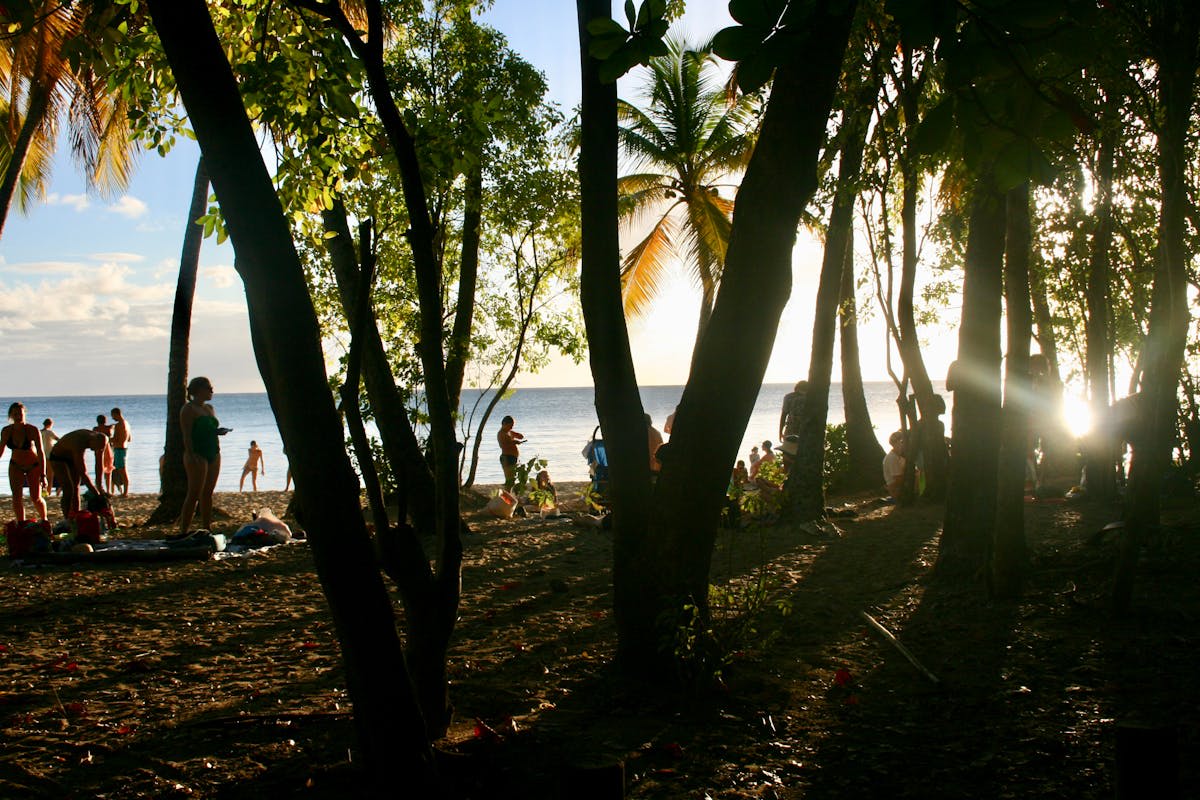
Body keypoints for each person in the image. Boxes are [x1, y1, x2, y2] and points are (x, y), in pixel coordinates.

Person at [180, 376, 223, 535]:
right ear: (199, 390)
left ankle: (207, 527)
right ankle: (184, 530)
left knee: (207, 493)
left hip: (214, 451)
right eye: (209, 389)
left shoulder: (209, 408)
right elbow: (186, 435)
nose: (212, 391)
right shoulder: (188, 409)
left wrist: (218, 431)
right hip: (197, 453)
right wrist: (192, 454)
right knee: (194, 493)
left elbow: (210, 429)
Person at [1, 402, 48, 522]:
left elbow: (41, 452)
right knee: (16, 498)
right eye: (15, 414)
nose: (18, 416)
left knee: (36, 497)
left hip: (33, 466)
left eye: (20, 414)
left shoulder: (32, 430)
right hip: (15, 465)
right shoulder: (6, 431)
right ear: (10, 416)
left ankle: (44, 520)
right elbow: (0, 451)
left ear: (24, 414)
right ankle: (21, 523)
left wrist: (43, 475)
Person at [48, 428, 108, 518]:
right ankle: (67, 518)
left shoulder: (101, 442)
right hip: (58, 457)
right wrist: (95, 493)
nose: (98, 450)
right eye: (96, 448)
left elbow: (99, 465)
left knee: (76, 486)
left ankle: (77, 514)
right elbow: (82, 472)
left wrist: (99, 486)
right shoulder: (79, 442)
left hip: (72, 457)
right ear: (91, 441)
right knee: (68, 489)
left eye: (100, 449)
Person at [497, 415, 525, 492]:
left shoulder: (509, 432)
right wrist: (514, 442)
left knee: (512, 480)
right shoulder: (501, 433)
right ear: (504, 424)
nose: (511, 428)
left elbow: (520, 436)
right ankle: (506, 495)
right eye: (510, 426)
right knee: (509, 480)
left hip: (513, 457)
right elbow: (503, 446)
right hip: (507, 458)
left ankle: (508, 494)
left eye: (512, 426)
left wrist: (516, 435)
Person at [110, 407, 132, 497]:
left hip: (119, 449)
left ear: (116, 414)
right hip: (124, 448)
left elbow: (116, 439)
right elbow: (129, 439)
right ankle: (123, 491)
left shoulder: (118, 425)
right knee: (121, 470)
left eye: (112, 416)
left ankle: (125, 492)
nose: (112, 418)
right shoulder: (127, 424)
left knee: (122, 471)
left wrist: (106, 438)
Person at [93, 414, 115, 494]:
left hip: (98, 450)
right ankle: (108, 490)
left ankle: (98, 488)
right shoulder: (109, 428)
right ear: (105, 421)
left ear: (97, 421)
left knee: (98, 470)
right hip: (108, 450)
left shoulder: (95, 429)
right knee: (108, 471)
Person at [882, 430, 907, 499]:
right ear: (895, 444)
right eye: (901, 442)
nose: (903, 444)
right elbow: (898, 479)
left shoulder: (901, 457)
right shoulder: (892, 458)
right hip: (897, 490)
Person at [39, 419, 60, 495]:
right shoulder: (49, 432)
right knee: (50, 475)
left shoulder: (39, 432)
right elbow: (58, 440)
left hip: (40, 455)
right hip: (49, 455)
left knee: (41, 474)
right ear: (50, 424)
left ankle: (41, 491)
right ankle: (48, 492)